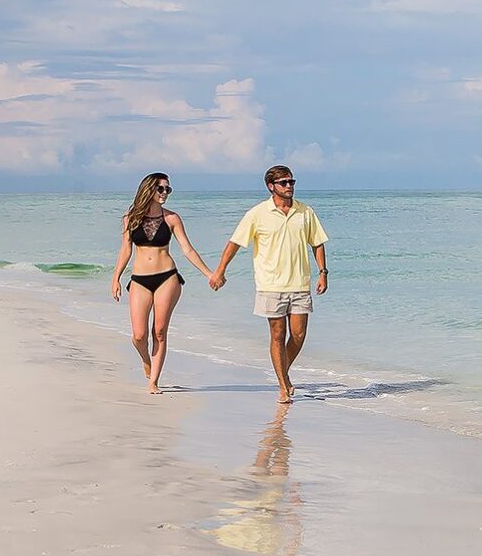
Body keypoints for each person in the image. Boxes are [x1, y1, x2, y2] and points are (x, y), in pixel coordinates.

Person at [210, 164, 329, 403]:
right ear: (271, 186)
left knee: (298, 334)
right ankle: (283, 386)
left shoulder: (305, 212)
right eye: (284, 183)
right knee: (278, 334)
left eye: (291, 182)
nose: (289, 186)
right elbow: (235, 243)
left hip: (299, 284)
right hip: (270, 285)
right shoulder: (257, 213)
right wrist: (220, 271)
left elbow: (317, 243)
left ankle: (282, 373)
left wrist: (323, 272)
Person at [108, 172, 216, 395]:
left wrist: (209, 273)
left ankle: (153, 381)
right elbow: (126, 249)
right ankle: (147, 361)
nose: (165, 193)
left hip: (167, 277)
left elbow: (187, 249)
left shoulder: (172, 218)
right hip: (139, 279)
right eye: (161, 189)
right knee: (138, 336)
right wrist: (116, 277)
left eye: (168, 189)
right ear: (149, 189)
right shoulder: (130, 218)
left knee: (159, 331)